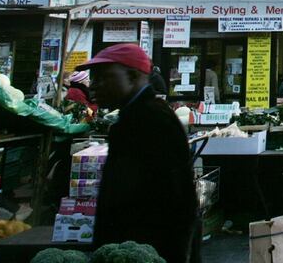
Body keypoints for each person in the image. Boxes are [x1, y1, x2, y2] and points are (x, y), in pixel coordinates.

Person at [79, 43, 197, 263]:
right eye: (93, 78)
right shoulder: (133, 117)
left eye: (103, 77)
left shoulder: (151, 119)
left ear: (132, 77)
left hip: (150, 248)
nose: (94, 86)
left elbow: (176, 198)